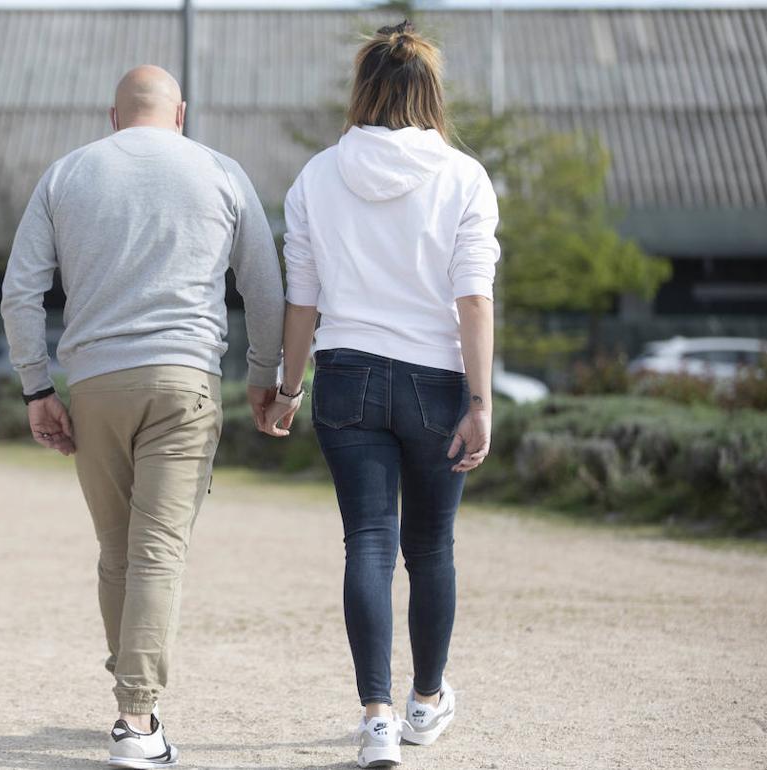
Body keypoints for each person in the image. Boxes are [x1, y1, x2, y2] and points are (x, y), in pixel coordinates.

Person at [0, 65, 284, 769]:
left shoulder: (66, 175)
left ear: (113, 115)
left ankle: (135, 699)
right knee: (158, 550)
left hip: (95, 383)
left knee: (118, 549)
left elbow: (19, 293)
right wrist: (262, 379)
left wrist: (38, 388)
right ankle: (136, 718)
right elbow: (266, 290)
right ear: (179, 113)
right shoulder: (220, 171)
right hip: (185, 378)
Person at [261, 19, 499, 769]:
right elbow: (474, 300)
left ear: (362, 89)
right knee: (430, 549)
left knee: (366, 541)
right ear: (432, 93)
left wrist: (287, 387)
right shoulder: (464, 177)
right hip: (435, 378)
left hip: (347, 374)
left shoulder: (317, 176)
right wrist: (482, 402)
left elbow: (303, 300)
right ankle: (427, 702)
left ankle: (376, 719)